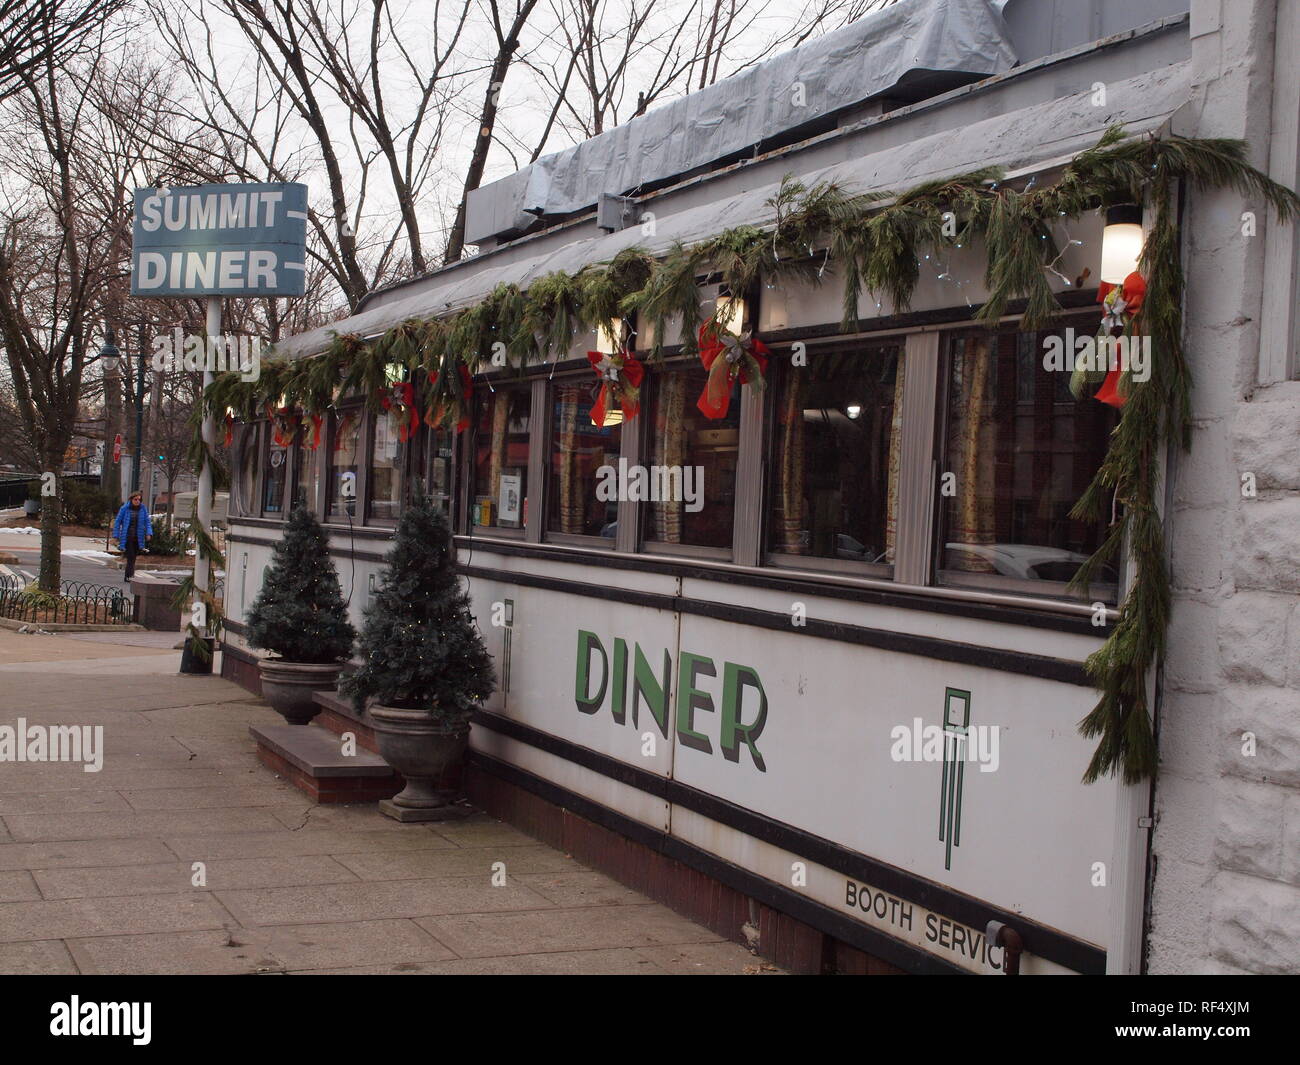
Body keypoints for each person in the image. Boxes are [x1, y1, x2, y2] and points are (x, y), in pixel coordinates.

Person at [112, 491, 153, 581]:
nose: (138, 501)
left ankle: (129, 575)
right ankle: (129, 576)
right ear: (131, 499)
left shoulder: (143, 509)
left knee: (133, 557)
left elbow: (147, 522)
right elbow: (117, 522)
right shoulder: (124, 509)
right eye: (136, 499)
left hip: (138, 538)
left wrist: (149, 533)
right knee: (130, 556)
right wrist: (116, 535)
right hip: (127, 537)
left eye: (139, 500)